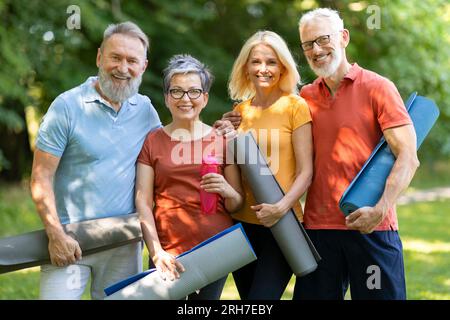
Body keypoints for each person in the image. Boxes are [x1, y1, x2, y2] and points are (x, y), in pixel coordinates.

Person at [30, 22, 234, 300]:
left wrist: (222, 129)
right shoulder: (67, 106)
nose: (122, 67)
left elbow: (177, 142)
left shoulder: (145, 110)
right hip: (70, 240)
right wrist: (55, 234)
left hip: (124, 243)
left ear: (143, 66)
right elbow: (41, 176)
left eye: (131, 60)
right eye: (115, 57)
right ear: (100, 57)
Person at [225, 9, 419, 300]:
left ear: (343, 38)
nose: (316, 50)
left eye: (323, 40)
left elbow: (408, 156)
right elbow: (272, 123)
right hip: (318, 231)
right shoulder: (304, 98)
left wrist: (380, 209)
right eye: (307, 44)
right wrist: (239, 120)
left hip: (371, 227)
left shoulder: (378, 88)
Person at [135, 54, 244, 300]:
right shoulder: (153, 141)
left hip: (216, 248)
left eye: (194, 92)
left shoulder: (222, 140)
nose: (186, 99)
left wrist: (226, 189)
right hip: (167, 248)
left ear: (204, 98)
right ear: (166, 98)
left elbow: (237, 203)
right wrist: (156, 252)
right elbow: (143, 201)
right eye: (177, 92)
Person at [227, 31, 313, 300]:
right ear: (246, 67)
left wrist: (281, 208)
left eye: (271, 62)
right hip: (241, 226)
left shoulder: (295, 107)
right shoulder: (239, 112)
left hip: (282, 224)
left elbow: (306, 171)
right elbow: (234, 168)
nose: (263, 69)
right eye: (256, 62)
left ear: (283, 67)